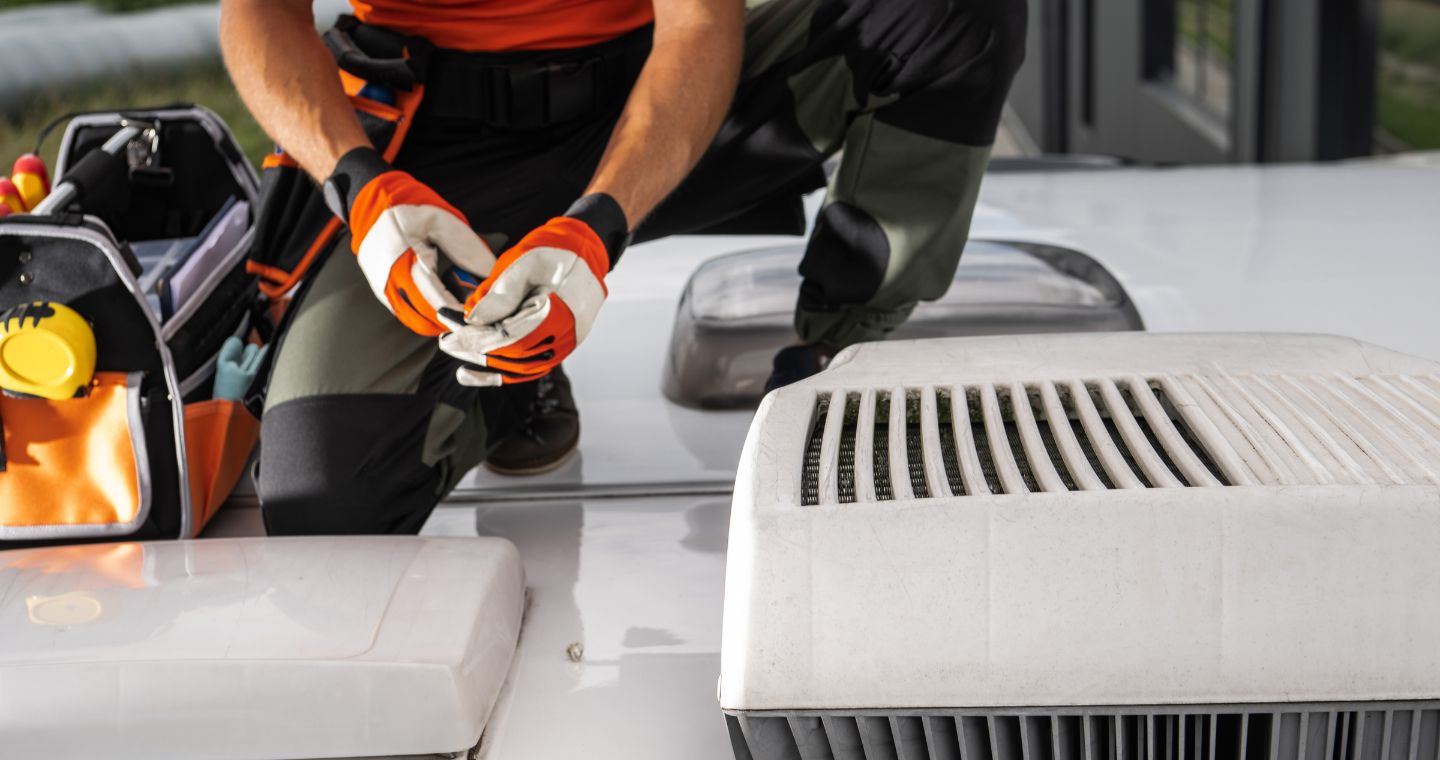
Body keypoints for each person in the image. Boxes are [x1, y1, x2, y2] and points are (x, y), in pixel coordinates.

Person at [220, 0, 1026, 534]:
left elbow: (698, 25)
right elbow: (258, 13)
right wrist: (361, 187)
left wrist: (598, 225)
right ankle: (503, 382)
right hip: (427, 145)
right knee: (323, 495)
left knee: (949, 11)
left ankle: (842, 364)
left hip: (651, 97)